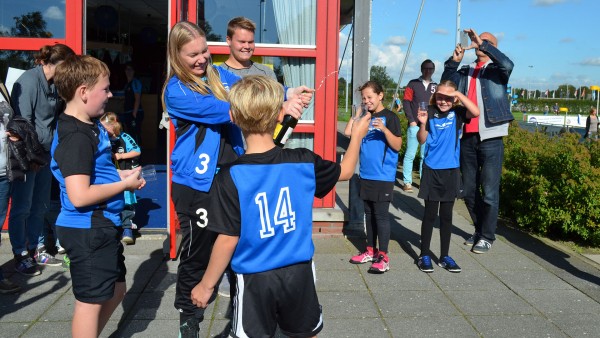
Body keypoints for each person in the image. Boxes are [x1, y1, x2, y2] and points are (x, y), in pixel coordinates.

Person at [189, 75, 371, 337]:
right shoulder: (302, 162)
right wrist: (357, 137)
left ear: (233, 116)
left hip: (254, 278)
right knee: (305, 332)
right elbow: (346, 170)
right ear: (279, 113)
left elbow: (228, 238)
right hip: (299, 272)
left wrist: (206, 286)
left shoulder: (228, 176)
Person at [161, 21, 311, 337]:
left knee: (238, 252)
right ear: (176, 56)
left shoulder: (218, 74)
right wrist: (280, 108)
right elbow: (233, 110)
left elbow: (252, 90)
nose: (202, 59)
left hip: (235, 179)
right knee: (196, 259)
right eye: (193, 55)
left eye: (205, 50)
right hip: (198, 188)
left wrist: (288, 93)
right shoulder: (177, 90)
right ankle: (190, 322)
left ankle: (245, 322)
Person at [51, 54, 145, 337]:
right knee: (90, 304)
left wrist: (121, 177)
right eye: (104, 88)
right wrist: (124, 186)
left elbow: (95, 174)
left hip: (102, 225)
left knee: (116, 290)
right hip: (89, 229)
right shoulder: (77, 136)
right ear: (83, 92)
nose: (110, 94)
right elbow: (79, 195)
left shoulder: (90, 127)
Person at [441, 28, 514, 254]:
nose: (480, 44)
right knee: (468, 190)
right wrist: (453, 63)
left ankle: (487, 236)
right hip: (467, 136)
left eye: (487, 42)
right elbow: (446, 88)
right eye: (480, 40)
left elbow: (508, 64)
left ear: (493, 47)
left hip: (491, 136)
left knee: (490, 191)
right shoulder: (466, 70)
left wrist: (482, 44)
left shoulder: (497, 71)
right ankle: (480, 229)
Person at [9, 43, 75, 275]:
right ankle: (20, 252)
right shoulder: (28, 81)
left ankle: (37, 248)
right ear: (55, 64)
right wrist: (33, 156)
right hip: (29, 155)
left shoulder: (54, 85)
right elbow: (23, 122)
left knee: (41, 205)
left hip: (46, 154)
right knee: (22, 206)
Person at [415, 80, 480, 273]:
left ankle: (444, 256)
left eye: (448, 98)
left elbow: (475, 112)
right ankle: (424, 254)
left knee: (446, 216)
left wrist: (458, 96)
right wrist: (423, 124)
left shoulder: (458, 113)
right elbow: (421, 139)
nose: (444, 101)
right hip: (431, 170)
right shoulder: (430, 111)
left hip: (451, 171)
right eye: (440, 97)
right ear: (435, 97)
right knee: (429, 215)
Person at [345, 81, 402, 273]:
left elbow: (397, 145)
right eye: (364, 98)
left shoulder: (390, 117)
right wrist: (358, 116)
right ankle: (370, 250)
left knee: (381, 215)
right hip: (366, 173)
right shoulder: (365, 117)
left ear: (380, 96)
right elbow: (348, 134)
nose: (367, 101)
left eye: (370, 97)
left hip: (383, 175)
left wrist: (384, 130)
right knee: (368, 214)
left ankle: (383, 256)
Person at [100, 112, 141, 244]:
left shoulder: (125, 137)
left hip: (125, 175)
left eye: (105, 128)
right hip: (111, 177)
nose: (103, 131)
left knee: (126, 202)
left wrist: (121, 156)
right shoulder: (103, 139)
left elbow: (137, 150)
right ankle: (114, 229)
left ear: (114, 126)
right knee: (111, 203)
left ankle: (127, 228)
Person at [401, 59, 437, 193]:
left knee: (424, 155)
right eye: (425, 68)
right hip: (415, 124)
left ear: (433, 70)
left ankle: (423, 182)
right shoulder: (413, 84)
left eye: (430, 68)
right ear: (421, 69)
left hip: (428, 126)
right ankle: (407, 182)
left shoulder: (436, 86)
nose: (428, 71)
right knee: (410, 154)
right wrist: (411, 120)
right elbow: (406, 102)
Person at [121, 63, 144, 143]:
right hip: (128, 112)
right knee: (130, 134)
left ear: (134, 71)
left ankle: (137, 154)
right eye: (127, 69)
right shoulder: (127, 84)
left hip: (134, 113)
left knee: (135, 134)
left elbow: (137, 98)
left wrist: (134, 114)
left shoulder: (135, 82)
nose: (128, 71)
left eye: (130, 69)